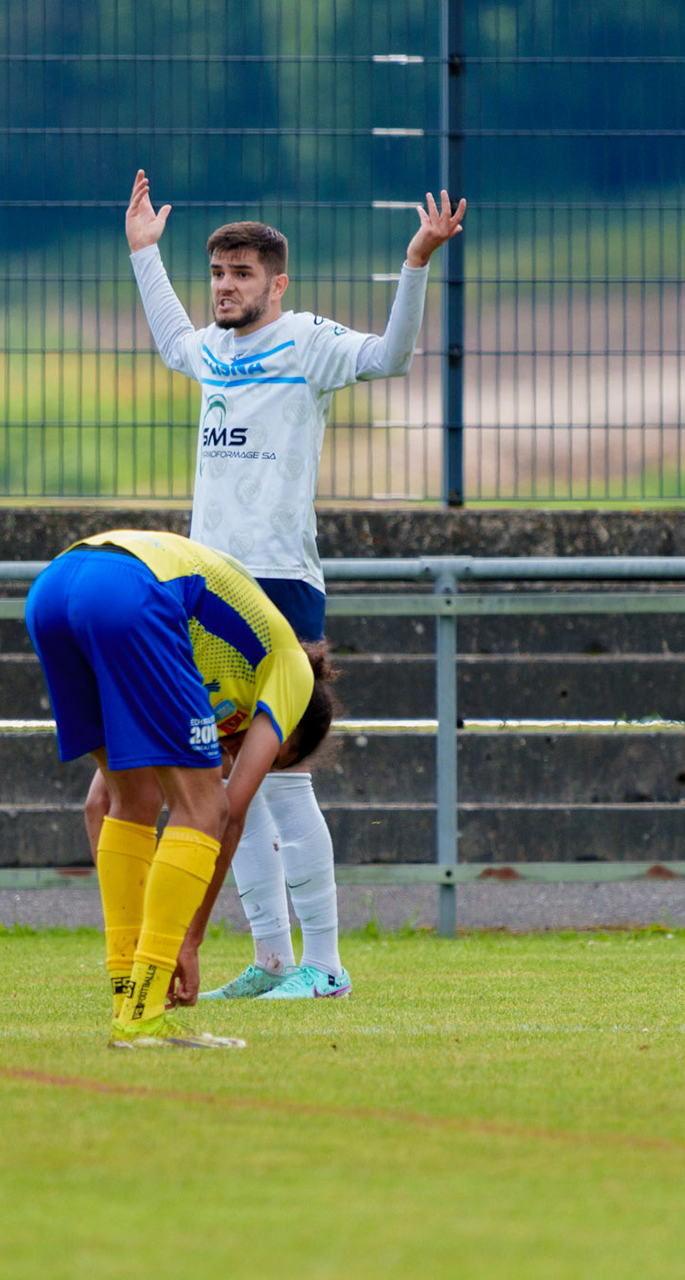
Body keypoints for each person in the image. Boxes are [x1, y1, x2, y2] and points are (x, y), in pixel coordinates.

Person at [112, 170, 463, 1000]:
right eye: (218, 275)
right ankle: (271, 958)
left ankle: (329, 964)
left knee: (285, 778)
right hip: (204, 589)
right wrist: (144, 255)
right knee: (229, 782)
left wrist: (416, 262)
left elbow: (391, 356)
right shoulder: (212, 351)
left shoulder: (305, 341)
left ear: (277, 283)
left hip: (280, 589)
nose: (226, 288)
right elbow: (171, 341)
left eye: (241, 275)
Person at [25, 529, 335, 1049]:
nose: (239, 755)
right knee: (202, 805)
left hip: (54, 588)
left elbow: (98, 805)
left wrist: (145, 934)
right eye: (271, 752)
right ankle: (144, 1015)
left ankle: (129, 1004)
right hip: (129, 590)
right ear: (288, 726)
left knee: (137, 798)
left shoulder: (210, 656)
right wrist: (185, 941)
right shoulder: (291, 673)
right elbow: (227, 812)